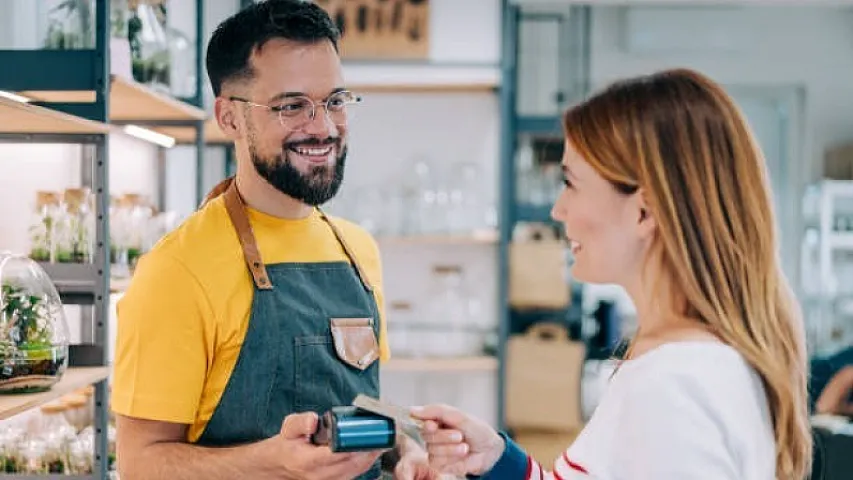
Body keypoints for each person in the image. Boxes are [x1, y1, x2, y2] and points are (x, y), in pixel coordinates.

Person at [411, 68, 814, 480]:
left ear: (644, 211)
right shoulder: (678, 363)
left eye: (571, 183)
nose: (558, 210)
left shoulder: (673, 385)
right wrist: (500, 462)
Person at [111, 2, 431, 479]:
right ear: (230, 118)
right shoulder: (177, 271)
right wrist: (268, 464)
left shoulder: (357, 252)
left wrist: (403, 445)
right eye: (291, 106)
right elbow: (141, 463)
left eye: (335, 101)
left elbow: (359, 403)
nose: (323, 127)